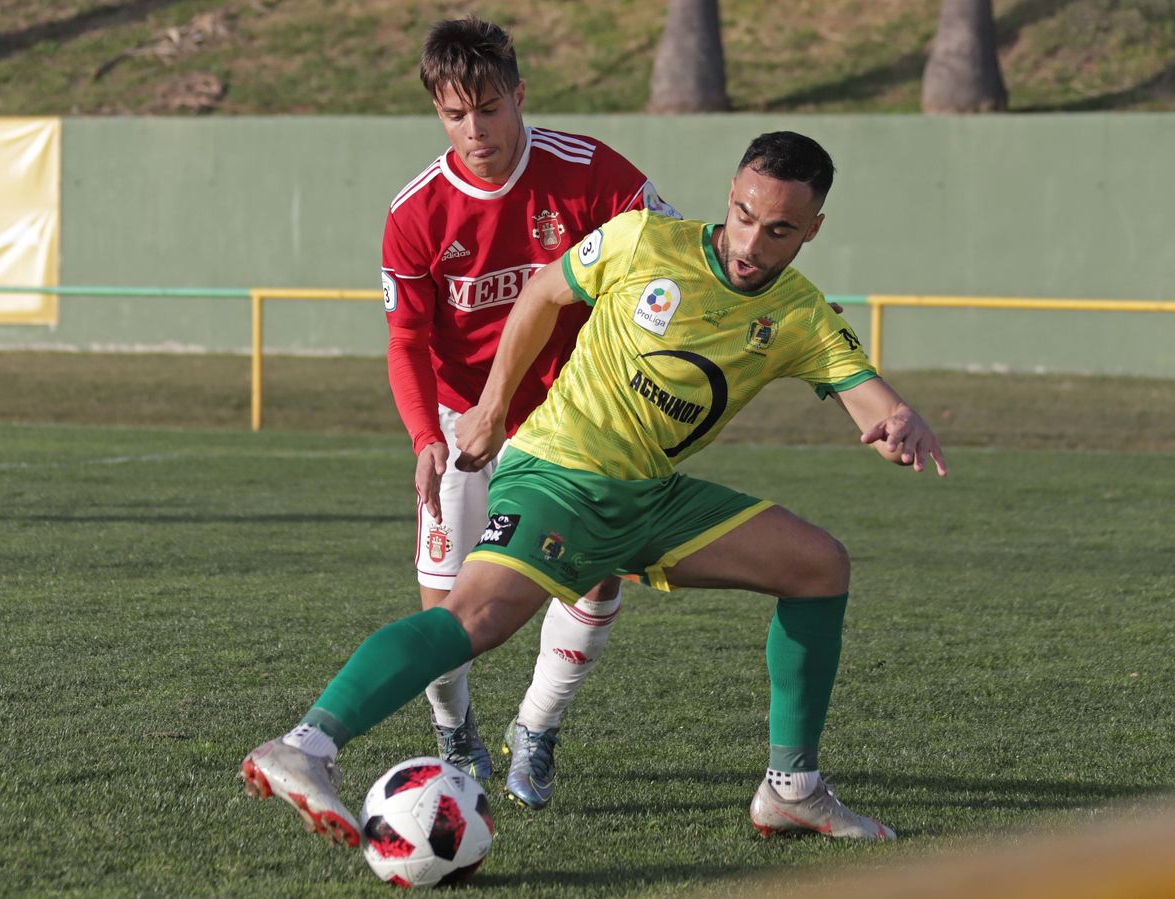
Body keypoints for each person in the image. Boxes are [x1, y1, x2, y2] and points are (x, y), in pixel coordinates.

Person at [242, 130, 945, 847]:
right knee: (476, 618)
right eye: (741, 214)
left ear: (813, 230)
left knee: (818, 566)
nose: (751, 242)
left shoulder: (800, 313)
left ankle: (791, 790)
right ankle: (307, 746)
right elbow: (544, 293)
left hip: (650, 498)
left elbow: (869, 398)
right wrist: (489, 406)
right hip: (560, 473)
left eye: (778, 230)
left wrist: (897, 421)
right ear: (729, 196)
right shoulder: (645, 240)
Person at [379, 15, 679, 810]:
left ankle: (537, 731)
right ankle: (455, 729)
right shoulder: (415, 214)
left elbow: (673, 259)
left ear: (518, 94)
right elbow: (405, 337)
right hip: (461, 420)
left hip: (577, 420)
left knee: (595, 582)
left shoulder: (591, 173)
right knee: (444, 605)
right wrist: (422, 438)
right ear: (437, 114)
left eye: (488, 107)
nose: (474, 130)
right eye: (454, 114)